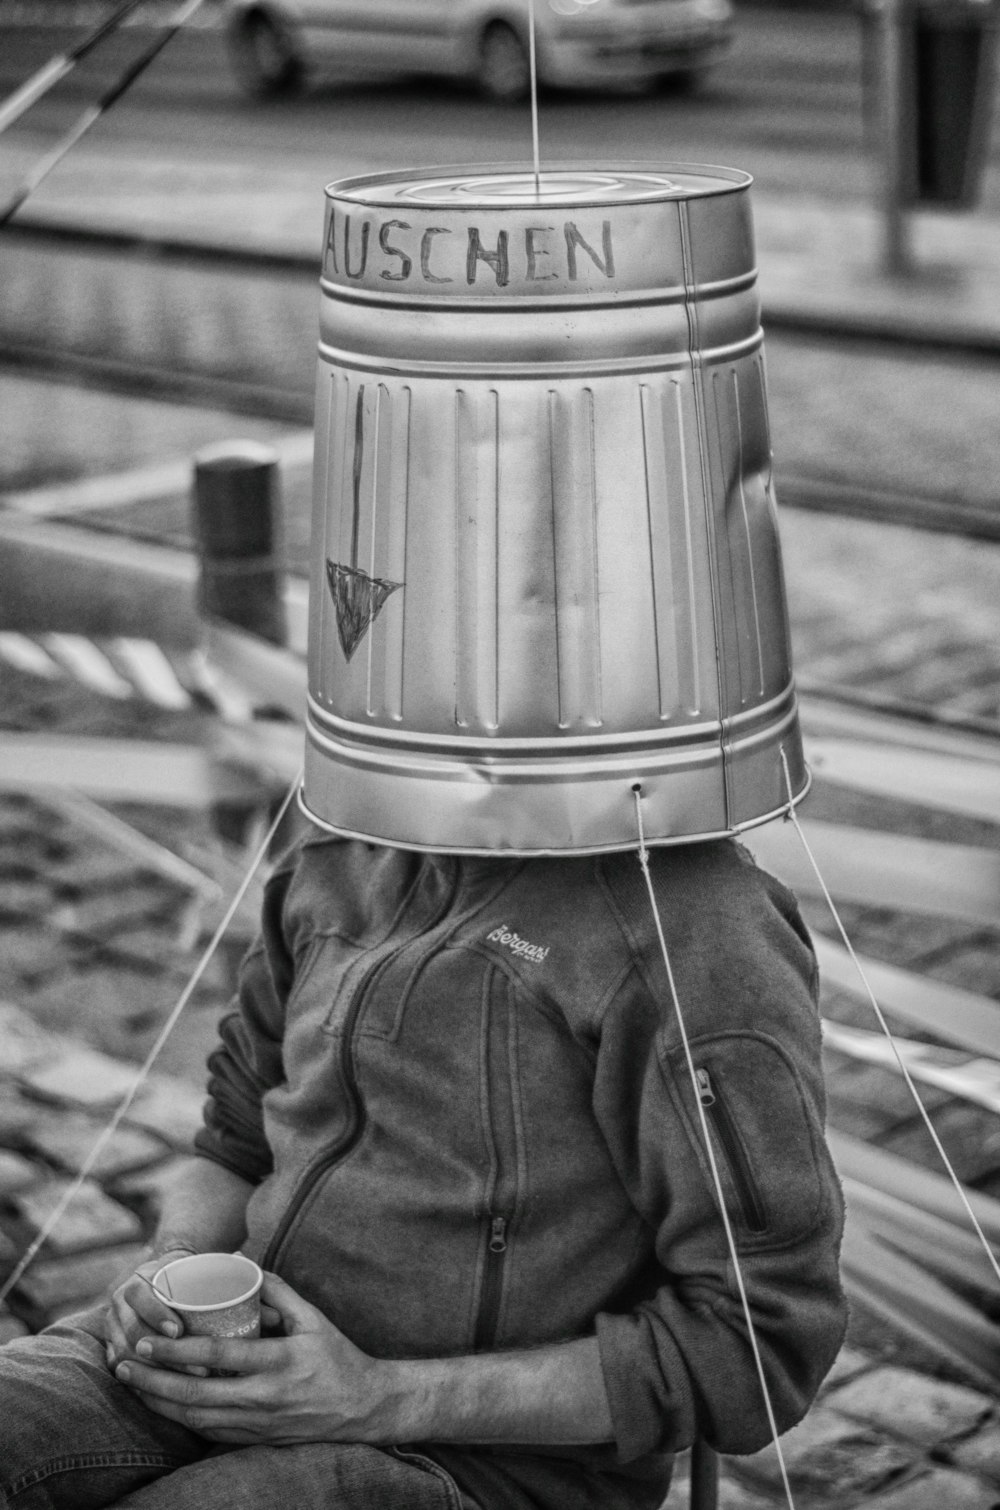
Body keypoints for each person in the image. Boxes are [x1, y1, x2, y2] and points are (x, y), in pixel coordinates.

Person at [0, 827, 846, 1510]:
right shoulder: (344, 841)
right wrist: (171, 1270)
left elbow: (757, 1346)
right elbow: (233, 1143)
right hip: (232, 1372)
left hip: (490, 1469)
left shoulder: (698, 929)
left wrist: (374, 1396)